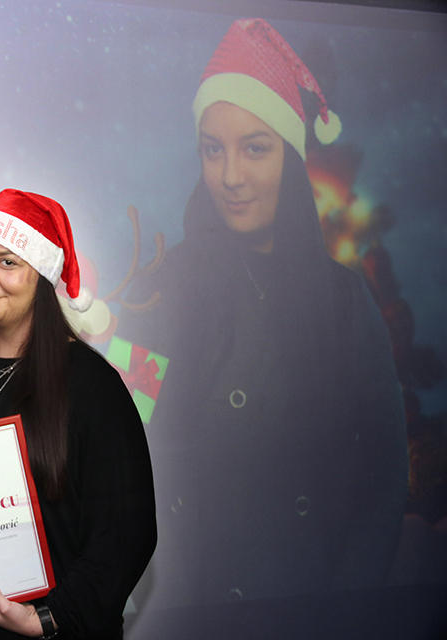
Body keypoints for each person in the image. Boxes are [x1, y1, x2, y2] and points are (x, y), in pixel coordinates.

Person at [117, 18, 408, 614]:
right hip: (177, 610)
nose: (231, 176)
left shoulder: (345, 303)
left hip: (307, 611)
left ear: (292, 157)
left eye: (255, 148)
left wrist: (341, 612)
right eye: (213, 149)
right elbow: (121, 439)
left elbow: (382, 479)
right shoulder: (156, 291)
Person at [0, 189, 157, 639]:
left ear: (42, 276)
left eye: (7, 262)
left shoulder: (91, 385)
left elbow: (127, 533)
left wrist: (48, 617)